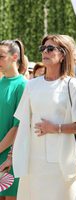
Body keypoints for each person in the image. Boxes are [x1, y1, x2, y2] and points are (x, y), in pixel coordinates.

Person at [11, 34, 76, 200]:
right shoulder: (32, 84)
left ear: (63, 54)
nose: (45, 52)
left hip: (61, 161)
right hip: (33, 159)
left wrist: (56, 128)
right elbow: (23, 125)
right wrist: (13, 156)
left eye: (51, 49)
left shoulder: (71, 85)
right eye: (43, 48)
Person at [0, 39, 27, 200]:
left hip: (11, 155)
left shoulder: (23, 85)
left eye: (1, 56)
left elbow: (18, 126)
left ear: (15, 57)